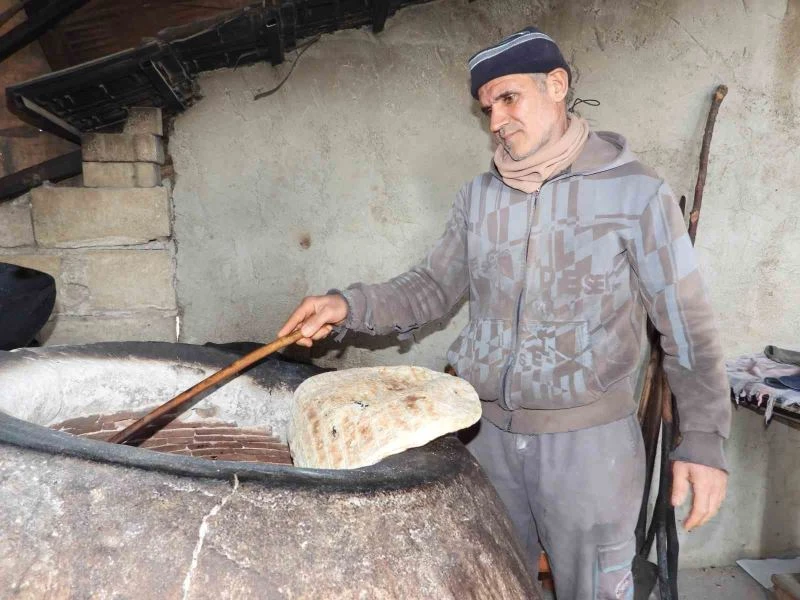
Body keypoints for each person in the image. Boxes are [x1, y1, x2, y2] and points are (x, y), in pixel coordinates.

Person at [279, 26, 730, 599]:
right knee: (489, 587)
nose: (496, 120)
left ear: (556, 85)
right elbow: (431, 288)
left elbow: (686, 324)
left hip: (589, 450)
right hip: (484, 438)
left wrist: (704, 442)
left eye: (509, 98)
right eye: (487, 107)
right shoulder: (480, 198)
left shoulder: (635, 193)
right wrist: (347, 305)